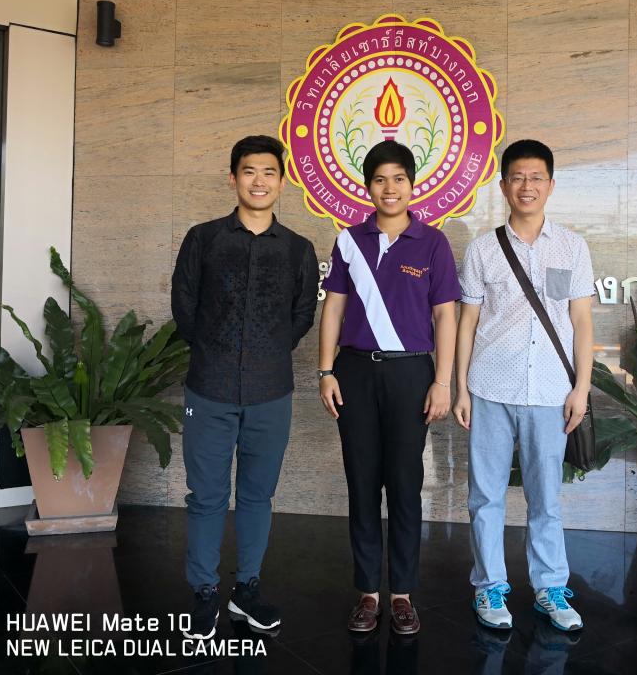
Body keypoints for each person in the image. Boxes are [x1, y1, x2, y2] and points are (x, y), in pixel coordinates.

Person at [171, 135, 319, 638]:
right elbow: (184, 306)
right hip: (208, 388)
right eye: (250, 171)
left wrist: (266, 352)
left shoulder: (298, 249)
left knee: (258, 495)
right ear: (233, 177)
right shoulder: (204, 238)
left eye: (269, 172)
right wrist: (215, 350)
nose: (259, 181)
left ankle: (247, 589)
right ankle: (204, 591)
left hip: (270, 391)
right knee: (206, 495)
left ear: (282, 181)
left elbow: (303, 315)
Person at [318, 140, 459, 636]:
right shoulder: (349, 241)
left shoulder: (433, 243)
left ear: (412, 185)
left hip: (411, 374)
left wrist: (442, 381)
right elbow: (333, 307)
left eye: (398, 178)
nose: (390, 188)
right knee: (361, 482)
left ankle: (401, 594)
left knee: (404, 484)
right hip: (354, 373)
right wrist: (325, 371)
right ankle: (367, 592)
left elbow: (445, 316)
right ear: (368, 186)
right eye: (380, 179)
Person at [453, 139, 595, 633]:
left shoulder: (572, 247)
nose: (526, 186)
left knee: (546, 498)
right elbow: (467, 322)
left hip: (551, 392)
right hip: (490, 387)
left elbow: (581, 321)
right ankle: (489, 585)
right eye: (517, 177)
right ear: (503, 185)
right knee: (485, 496)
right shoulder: (482, 249)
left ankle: (550, 588)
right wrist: (461, 387)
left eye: (536, 177)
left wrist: (582, 387)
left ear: (550, 185)